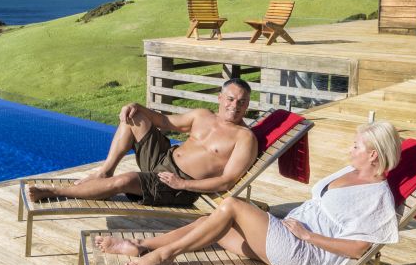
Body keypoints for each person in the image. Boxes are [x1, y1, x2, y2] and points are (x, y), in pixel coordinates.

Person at [97, 121, 401, 265]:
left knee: (231, 206)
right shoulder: (351, 170)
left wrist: (308, 235)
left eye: (356, 146)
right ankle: (141, 247)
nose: (350, 150)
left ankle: (166, 254)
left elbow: (361, 248)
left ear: (373, 154)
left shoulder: (376, 197)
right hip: (286, 236)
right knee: (210, 222)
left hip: (306, 254)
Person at [28, 78, 257, 207]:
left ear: (247, 105)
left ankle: (56, 191)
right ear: (220, 98)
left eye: (242, 102)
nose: (234, 106)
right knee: (133, 118)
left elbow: (226, 181)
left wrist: (183, 184)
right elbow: (164, 121)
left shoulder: (244, 138)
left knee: (125, 180)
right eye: (230, 99)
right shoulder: (202, 115)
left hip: (177, 186)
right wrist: (135, 106)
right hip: (163, 158)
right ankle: (105, 172)